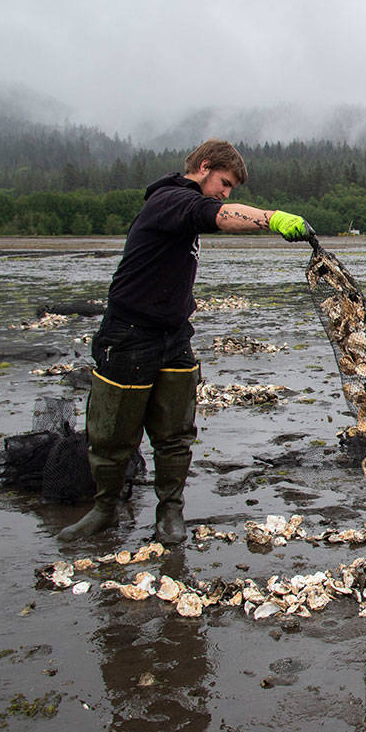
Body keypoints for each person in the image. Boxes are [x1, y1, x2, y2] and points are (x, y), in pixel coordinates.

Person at [59, 138, 313, 544]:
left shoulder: (185, 207)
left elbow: (214, 211)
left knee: (175, 434)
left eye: (231, 188)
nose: (227, 193)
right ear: (205, 166)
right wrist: (273, 218)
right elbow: (218, 215)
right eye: (225, 182)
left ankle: (169, 512)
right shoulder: (170, 199)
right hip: (128, 334)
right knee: (112, 435)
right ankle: (104, 509)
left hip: (174, 335)